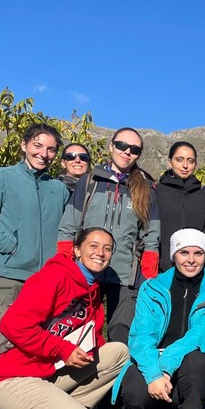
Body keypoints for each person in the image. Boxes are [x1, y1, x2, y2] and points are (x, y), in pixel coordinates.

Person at [0, 228, 129, 409]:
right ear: (77, 249)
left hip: (46, 373)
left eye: (107, 249)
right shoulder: (54, 277)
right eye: (93, 246)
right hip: (12, 379)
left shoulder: (93, 290)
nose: (101, 253)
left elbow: (93, 338)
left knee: (118, 353)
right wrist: (63, 350)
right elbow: (14, 325)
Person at [0, 123, 70, 409]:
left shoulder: (59, 188)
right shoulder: (2, 177)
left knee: (35, 348)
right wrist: (10, 245)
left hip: (45, 281)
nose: (44, 153)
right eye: (38, 145)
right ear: (25, 145)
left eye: (51, 149)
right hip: (7, 275)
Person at [112, 229, 205, 409]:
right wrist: (154, 375)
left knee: (196, 361)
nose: (191, 260)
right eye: (184, 252)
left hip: (187, 365)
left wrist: (166, 365)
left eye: (198, 253)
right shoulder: (151, 288)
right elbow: (141, 337)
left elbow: (204, 335)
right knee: (134, 388)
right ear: (174, 255)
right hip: (155, 362)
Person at [57, 127, 160, 344]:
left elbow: (152, 235)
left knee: (121, 332)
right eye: (121, 145)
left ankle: (118, 377)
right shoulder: (89, 182)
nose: (127, 152)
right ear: (111, 147)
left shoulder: (146, 188)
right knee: (79, 331)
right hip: (84, 269)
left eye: (134, 149)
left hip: (125, 275)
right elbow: (68, 227)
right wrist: (65, 265)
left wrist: (148, 274)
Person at [155, 141, 205, 272]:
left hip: (194, 269)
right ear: (169, 162)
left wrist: (201, 264)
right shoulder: (156, 193)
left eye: (190, 161)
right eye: (179, 160)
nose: (185, 165)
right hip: (161, 271)